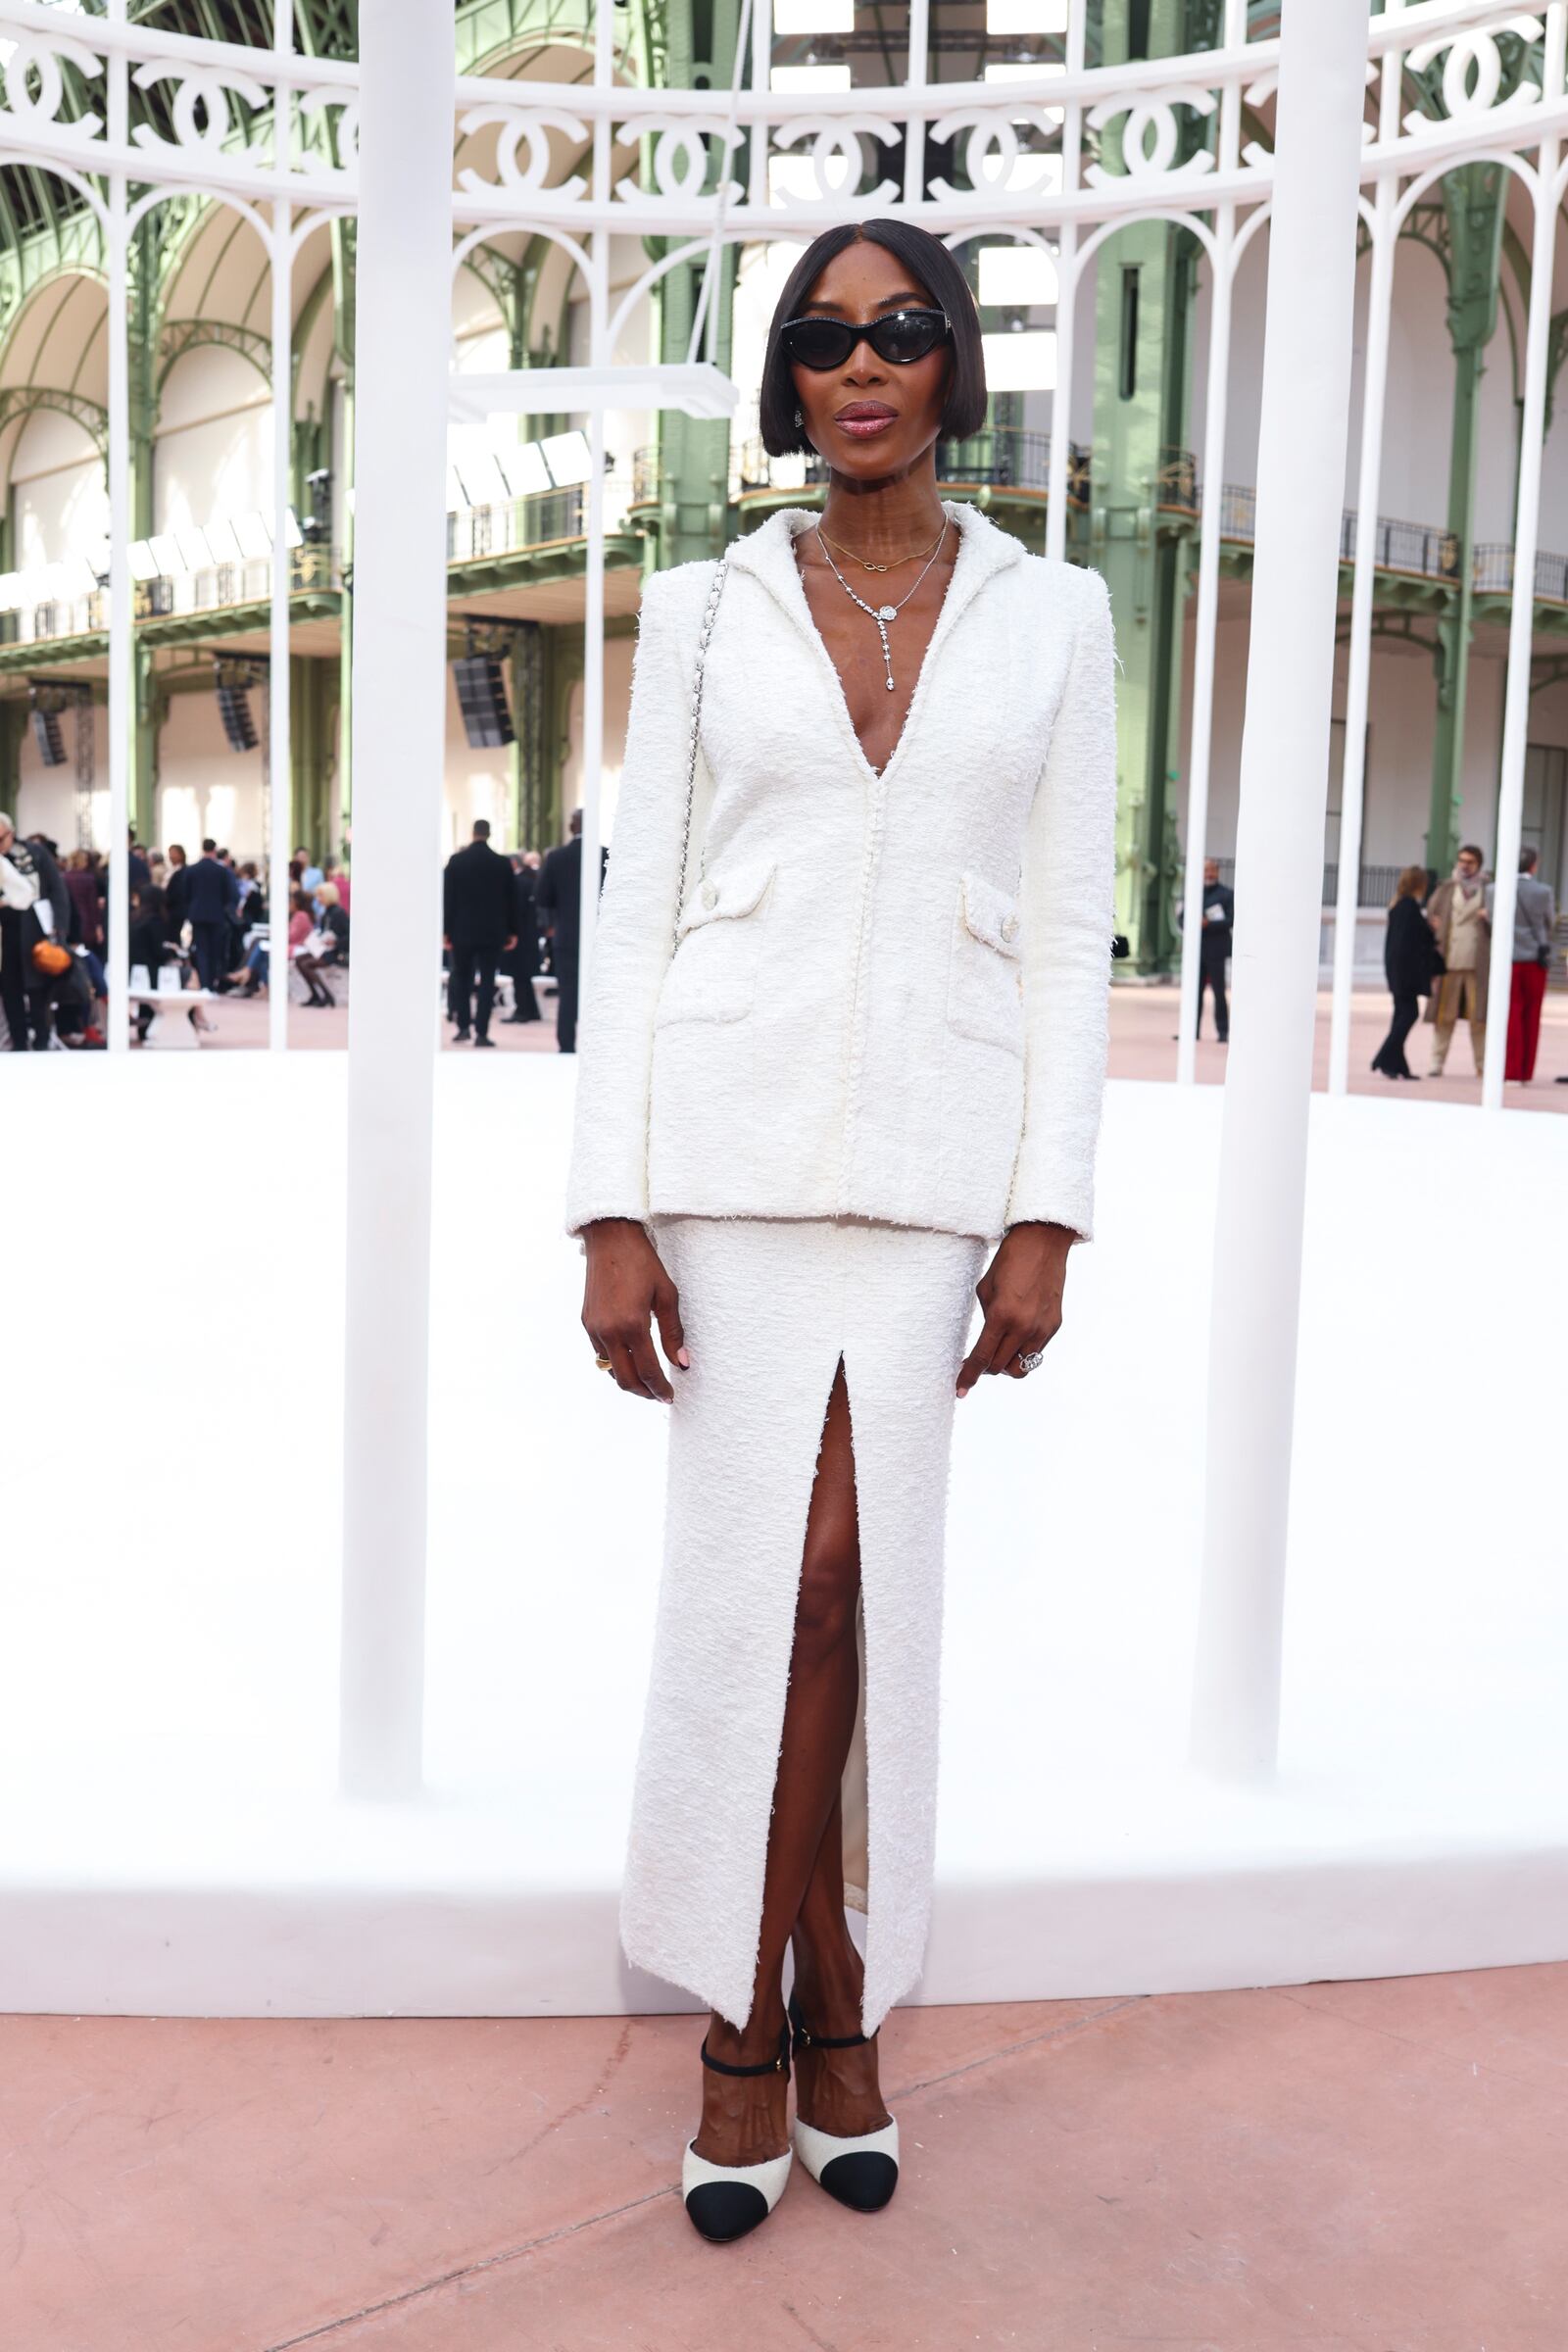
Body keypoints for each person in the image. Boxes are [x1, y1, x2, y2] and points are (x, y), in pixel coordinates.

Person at [563, 219, 1117, 2243]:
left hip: (933, 1185)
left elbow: (1065, 924)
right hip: (721, 1157)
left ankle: (789, 2005)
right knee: (777, 1597)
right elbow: (636, 909)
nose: (857, 365)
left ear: (953, 365)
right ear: (783, 379)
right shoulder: (706, 609)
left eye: (896, 333)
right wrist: (605, 1205)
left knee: (856, 1595)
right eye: (819, 338)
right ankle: (782, 2021)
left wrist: (1046, 1209)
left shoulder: (1054, 617)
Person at [442, 816, 517, 1047]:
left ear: (473, 833)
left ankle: (463, 1026)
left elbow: (448, 900)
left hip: (461, 932)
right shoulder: (502, 864)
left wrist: (446, 931)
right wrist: (512, 931)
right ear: (489, 834)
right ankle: (482, 1032)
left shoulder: (456, 862)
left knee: (462, 978)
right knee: (487, 981)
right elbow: (510, 901)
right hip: (492, 932)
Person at [535, 809, 606, 1053]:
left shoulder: (556, 858)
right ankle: (596, 1046)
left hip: (566, 935)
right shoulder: (605, 855)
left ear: (571, 826)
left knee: (567, 993)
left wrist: (554, 921)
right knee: (598, 992)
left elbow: (542, 896)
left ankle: (566, 1045)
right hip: (600, 937)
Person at [1425, 844, 1490, 1076]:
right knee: (1444, 1017)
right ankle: (1436, 1062)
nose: (1464, 865)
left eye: (1469, 861)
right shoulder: (1446, 888)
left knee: (1479, 1019)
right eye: (1461, 860)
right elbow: (1431, 916)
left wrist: (1489, 917)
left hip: (1477, 964)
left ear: (1478, 864)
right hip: (1448, 962)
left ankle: (1483, 1065)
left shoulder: (1489, 890)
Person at [1371, 865, 1442, 1079]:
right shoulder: (1408, 907)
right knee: (1409, 1014)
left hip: (1397, 971)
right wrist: (1431, 930)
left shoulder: (1398, 905)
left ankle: (1397, 1066)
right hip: (1405, 974)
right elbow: (1413, 942)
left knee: (1401, 1016)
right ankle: (1383, 1058)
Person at [1504, 847, 1556, 1082]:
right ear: (1533, 865)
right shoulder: (1543, 891)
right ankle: (1525, 1071)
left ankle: (1508, 1069)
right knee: (1531, 1015)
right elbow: (1549, 923)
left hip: (1506, 959)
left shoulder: (1494, 890)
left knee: (1510, 1013)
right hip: (1534, 959)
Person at [182, 838, 239, 993]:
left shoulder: (193, 869)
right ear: (214, 850)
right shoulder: (221, 871)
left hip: (198, 914)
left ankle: (204, 983)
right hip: (216, 915)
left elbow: (186, 893)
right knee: (215, 950)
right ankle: (211, 983)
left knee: (201, 949)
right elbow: (229, 895)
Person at [294, 878, 349, 1006]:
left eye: (321, 895)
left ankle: (326, 995)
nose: (318, 899)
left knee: (307, 964)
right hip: (324, 950)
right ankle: (315, 994)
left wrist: (335, 942)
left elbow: (349, 936)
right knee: (299, 960)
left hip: (335, 953)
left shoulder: (339, 913)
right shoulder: (326, 913)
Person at [502, 851, 542, 1023]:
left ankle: (523, 1010)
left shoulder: (518, 882)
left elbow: (515, 912)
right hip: (529, 934)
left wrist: (511, 933)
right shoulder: (529, 880)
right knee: (524, 976)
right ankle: (531, 1010)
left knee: (520, 975)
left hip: (520, 936)